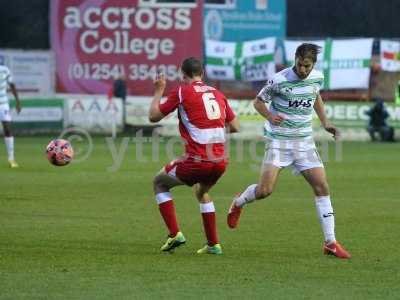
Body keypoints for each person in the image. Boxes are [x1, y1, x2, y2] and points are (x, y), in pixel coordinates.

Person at [227, 43, 351, 259]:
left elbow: (315, 96)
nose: (304, 70)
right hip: (279, 142)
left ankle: (330, 242)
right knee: (265, 190)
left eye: (308, 66)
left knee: (322, 186)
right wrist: (269, 116)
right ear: (295, 59)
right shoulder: (279, 80)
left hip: (304, 143)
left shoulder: (317, 78)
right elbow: (257, 102)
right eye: (301, 65)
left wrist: (325, 122)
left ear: (313, 64)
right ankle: (238, 202)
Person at [149, 57, 239, 255]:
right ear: (203, 74)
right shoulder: (217, 93)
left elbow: (153, 116)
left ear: (183, 75)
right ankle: (213, 244)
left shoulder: (182, 91)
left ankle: (174, 234)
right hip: (220, 162)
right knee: (201, 192)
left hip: (198, 161)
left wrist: (158, 90)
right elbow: (235, 126)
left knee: (159, 183)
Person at [0, 64, 21, 168]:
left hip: (3, 104)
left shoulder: (4, 70)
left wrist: (18, 101)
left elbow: (12, 85)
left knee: (7, 129)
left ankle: (11, 158)